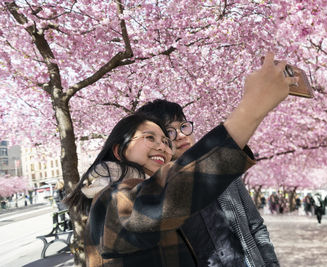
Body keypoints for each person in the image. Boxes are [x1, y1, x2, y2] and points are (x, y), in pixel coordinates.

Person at [66, 52, 296, 266]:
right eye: (151, 137)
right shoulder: (109, 200)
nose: (163, 145)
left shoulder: (173, 185)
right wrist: (253, 106)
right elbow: (165, 201)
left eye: (166, 141)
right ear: (119, 151)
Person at [138, 99, 279, 267]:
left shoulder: (224, 172)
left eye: (183, 126)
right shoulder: (154, 194)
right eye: (170, 131)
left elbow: (255, 225)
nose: (181, 135)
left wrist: (271, 263)